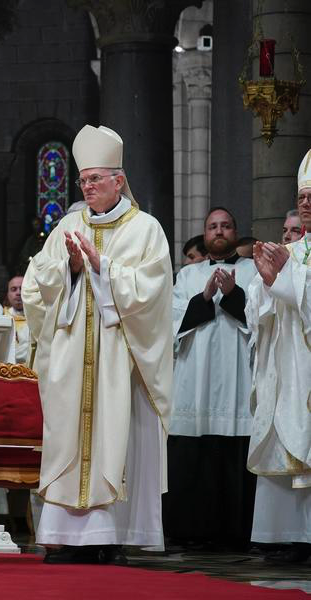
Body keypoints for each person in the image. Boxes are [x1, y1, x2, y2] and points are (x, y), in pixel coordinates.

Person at [22, 125, 172, 565]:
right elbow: (34, 287)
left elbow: (153, 292)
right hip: (69, 357)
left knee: (112, 436)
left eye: (95, 180)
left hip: (116, 359)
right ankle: (61, 536)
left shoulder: (146, 230)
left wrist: (102, 266)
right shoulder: (67, 225)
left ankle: (110, 535)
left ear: (118, 181)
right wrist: (68, 270)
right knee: (66, 437)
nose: (87, 187)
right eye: (83, 180)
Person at [164, 207, 257, 550]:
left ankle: (238, 533)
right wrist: (203, 298)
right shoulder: (187, 275)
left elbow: (263, 319)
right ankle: (190, 529)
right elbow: (171, 321)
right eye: (212, 227)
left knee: (237, 447)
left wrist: (233, 295)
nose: (219, 231)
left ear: (236, 231)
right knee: (193, 448)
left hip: (238, 379)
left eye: (226, 226)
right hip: (195, 377)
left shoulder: (253, 272)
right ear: (204, 234)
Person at [245, 151, 311, 564]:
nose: (305, 203)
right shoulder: (292, 249)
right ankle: (283, 536)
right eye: (302, 196)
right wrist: (268, 284)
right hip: (286, 366)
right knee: (281, 438)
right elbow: (259, 312)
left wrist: (289, 276)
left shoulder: (294, 258)